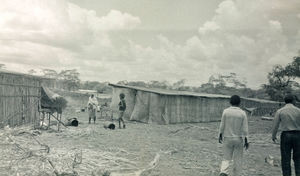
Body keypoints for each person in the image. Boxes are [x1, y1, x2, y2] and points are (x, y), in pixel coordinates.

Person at [218, 95, 249, 176]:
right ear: (239, 103)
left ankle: (224, 172)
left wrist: (220, 134)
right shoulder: (242, 113)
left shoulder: (226, 111)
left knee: (226, 157)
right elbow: (245, 128)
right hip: (238, 139)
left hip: (227, 137)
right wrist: (247, 140)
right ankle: (236, 174)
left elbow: (222, 125)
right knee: (238, 158)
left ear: (230, 102)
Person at [272, 94, 300, 176]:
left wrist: (273, 136)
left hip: (286, 135)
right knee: (298, 158)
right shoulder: (298, 110)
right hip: (298, 135)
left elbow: (275, 125)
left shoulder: (280, 111)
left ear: (285, 101)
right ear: (293, 101)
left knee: (285, 158)